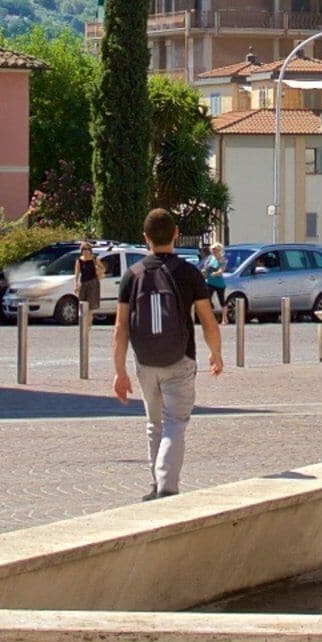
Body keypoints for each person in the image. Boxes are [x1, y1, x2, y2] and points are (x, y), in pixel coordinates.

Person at [110, 208, 223, 499]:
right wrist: (216, 353)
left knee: (154, 424)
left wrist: (120, 372)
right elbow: (208, 321)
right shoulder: (189, 273)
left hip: (145, 361)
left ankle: (156, 484)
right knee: (175, 423)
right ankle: (166, 486)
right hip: (180, 359)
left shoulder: (132, 275)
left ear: (145, 238)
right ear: (176, 234)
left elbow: (121, 328)